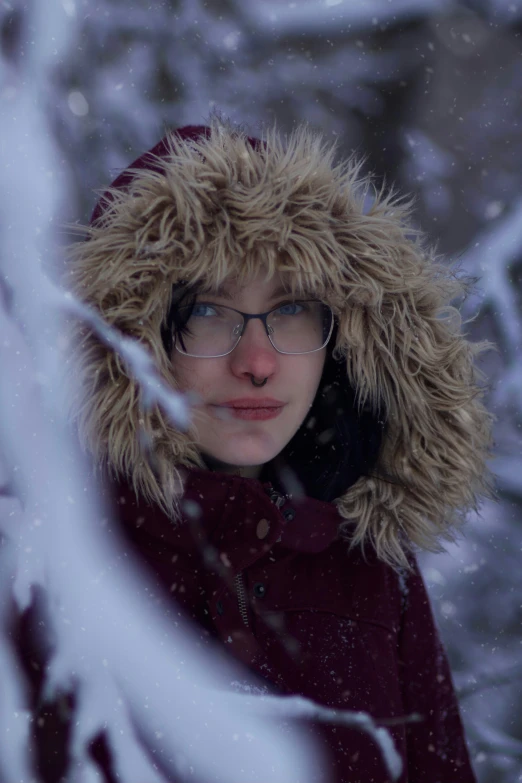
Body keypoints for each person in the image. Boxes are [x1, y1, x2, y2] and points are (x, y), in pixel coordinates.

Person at [19, 117, 495, 781]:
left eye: (293, 307)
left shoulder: (369, 569)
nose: (259, 362)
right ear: (134, 337)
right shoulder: (48, 553)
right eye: (208, 310)